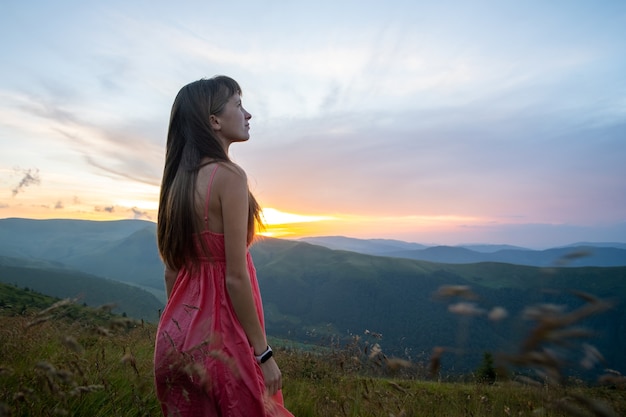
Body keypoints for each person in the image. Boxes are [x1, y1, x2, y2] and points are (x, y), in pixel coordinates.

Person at [154, 76, 293, 417]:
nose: (248, 114)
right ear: (213, 121)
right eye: (238, 104)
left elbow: (172, 270)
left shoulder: (177, 183)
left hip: (177, 339)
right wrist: (263, 353)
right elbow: (234, 277)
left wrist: (178, 333)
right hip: (223, 340)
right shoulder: (229, 177)